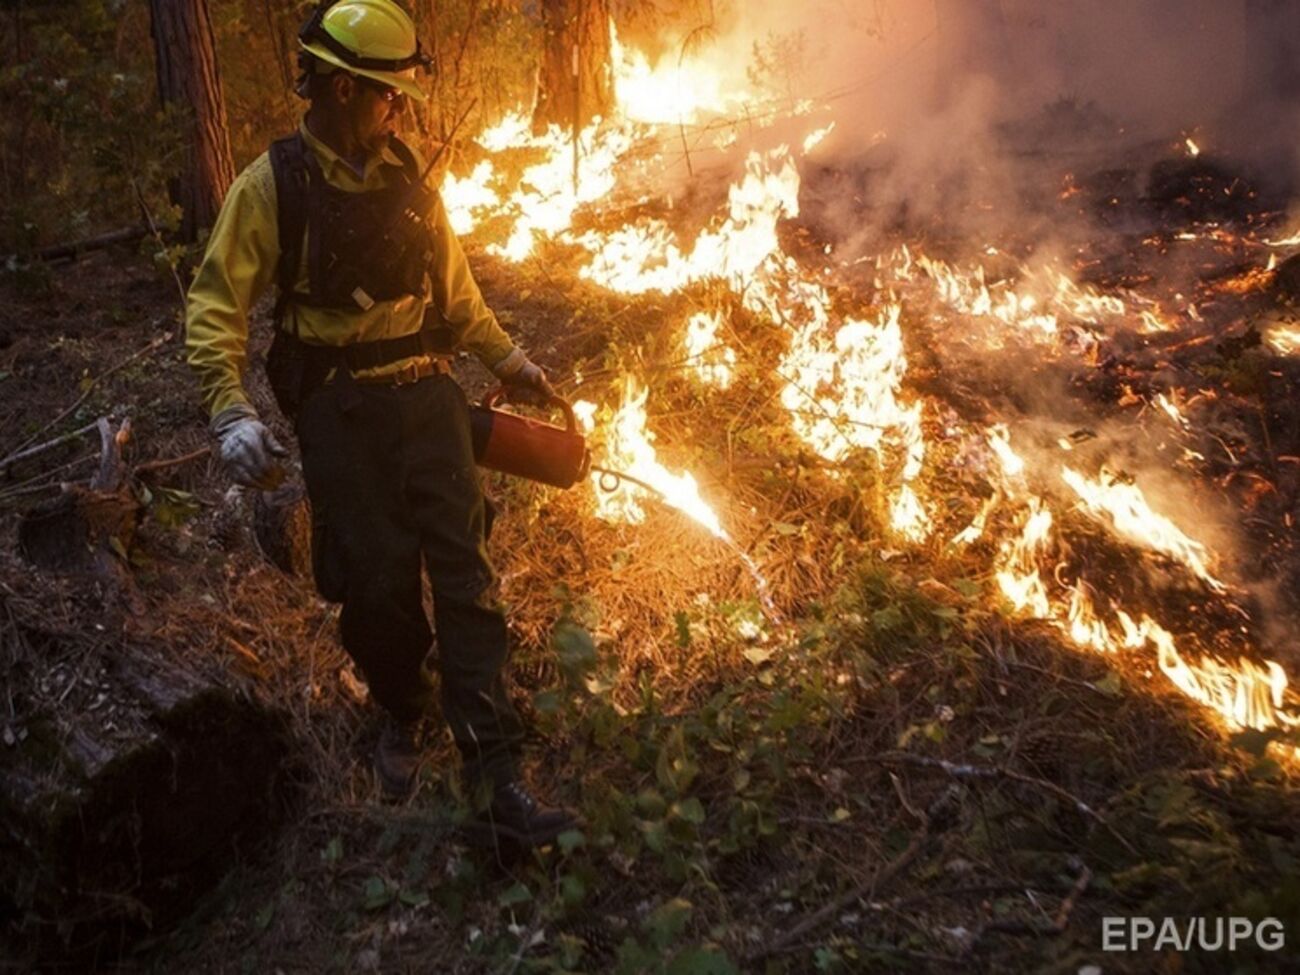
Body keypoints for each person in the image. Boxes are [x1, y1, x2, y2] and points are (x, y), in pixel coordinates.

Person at [184, 0, 577, 847]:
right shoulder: (272, 187)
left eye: (399, 98)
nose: (396, 111)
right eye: (382, 96)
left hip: (428, 399)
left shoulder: (411, 186)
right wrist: (229, 407)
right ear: (334, 89)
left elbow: (460, 299)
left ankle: (495, 770)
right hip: (341, 411)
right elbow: (217, 301)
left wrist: (514, 365)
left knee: (466, 575)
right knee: (377, 587)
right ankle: (403, 706)